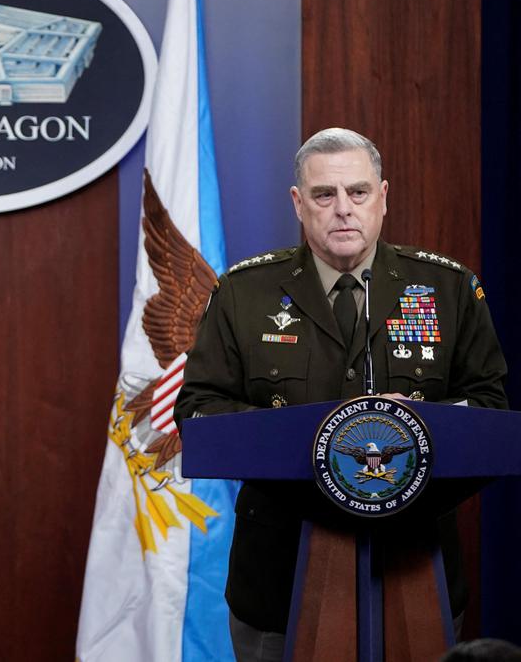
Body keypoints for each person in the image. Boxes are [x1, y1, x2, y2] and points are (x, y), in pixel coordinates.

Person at [175, 127, 507, 662]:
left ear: (382, 197)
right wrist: (315, 438)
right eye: (324, 195)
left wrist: (414, 429)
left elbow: (491, 410)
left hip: (415, 565)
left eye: (357, 192)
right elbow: (198, 412)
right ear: (298, 204)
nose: (343, 210)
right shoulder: (245, 292)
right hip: (279, 573)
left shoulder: (447, 288)